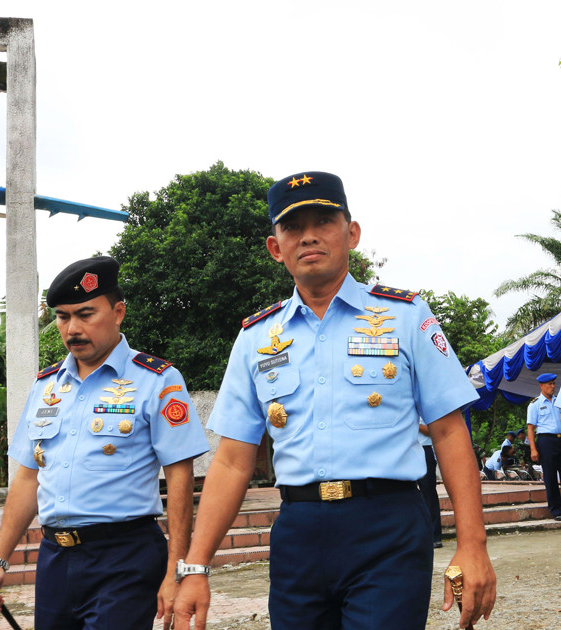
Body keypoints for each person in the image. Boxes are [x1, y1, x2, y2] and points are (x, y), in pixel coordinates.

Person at [173, 171, 496, 630]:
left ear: (352, 233)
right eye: (292, 227)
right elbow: (230, 461)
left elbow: (447, 429)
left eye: (323, 220)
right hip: (298, 533)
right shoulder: (257, 338)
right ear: (275, 247)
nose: (308, 236)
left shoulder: (405, 316)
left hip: (387, 528)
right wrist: (195, 567)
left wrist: (472, 545)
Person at [0, 256, 209, 629]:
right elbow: (28, 478)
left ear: (118, 312)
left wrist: (176, 570)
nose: (73, 329)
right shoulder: (46, 386)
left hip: (125, 557)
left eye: (85, 314)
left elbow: (180, 476)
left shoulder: (157, 380)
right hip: (56, 559)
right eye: (63, 317)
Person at [527, 373, 561, 520]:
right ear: (541, 386)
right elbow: (530, 428)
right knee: (550, 476)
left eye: (554, 383)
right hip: (546, 441)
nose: (552, 386)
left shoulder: (558, 401)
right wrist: (533, 449)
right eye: (549, 384)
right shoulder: (535, 404)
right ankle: (557, 510)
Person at [417, 419, 442, 548]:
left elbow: (431, 430)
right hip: (406, 449)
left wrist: (412, 423)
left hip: (424, 449)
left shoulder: (423, 406)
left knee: (429, 493)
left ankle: (435, 536)